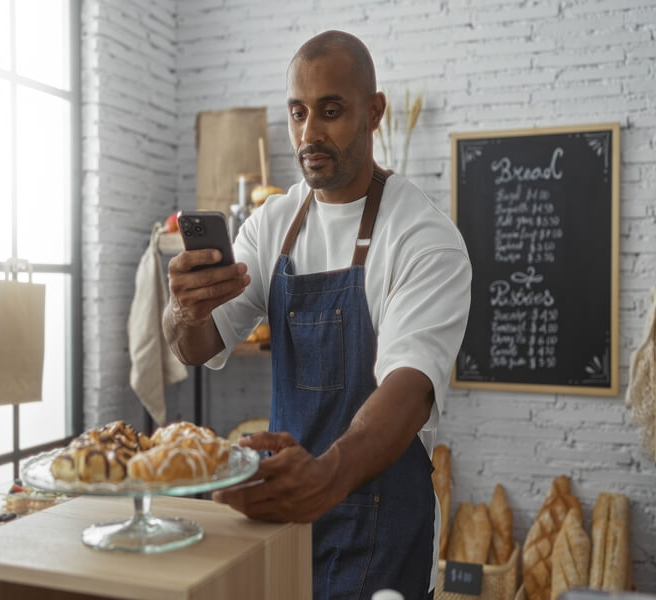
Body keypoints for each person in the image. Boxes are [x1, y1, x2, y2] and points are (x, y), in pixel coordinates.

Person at [163, 30, 471, 600]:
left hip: (381, 532)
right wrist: (183, 310)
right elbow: (196, 346)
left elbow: (408, 389)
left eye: (331, 111)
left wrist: (325, 478)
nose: (310, 133)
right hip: (282, 520)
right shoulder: (272, 224)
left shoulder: (425, 239)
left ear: (374, 112)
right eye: (298, 113)